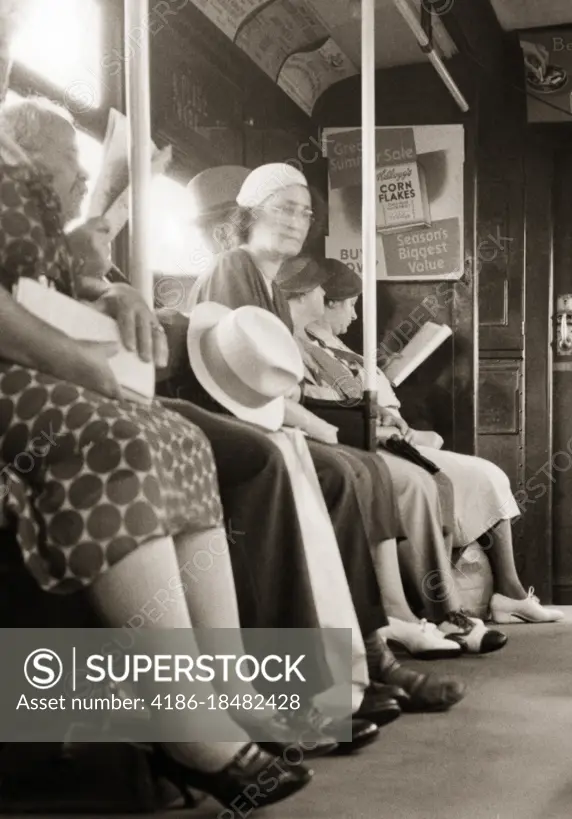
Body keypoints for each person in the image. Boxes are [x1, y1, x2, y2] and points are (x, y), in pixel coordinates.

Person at [0, 100, 309, 809]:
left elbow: (66, 268)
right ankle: (183, 722)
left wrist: (109, 290)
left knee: (186, 439)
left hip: (35, 362)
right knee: (120, 437)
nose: (80, 189)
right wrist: (74, 359)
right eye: (69, 176)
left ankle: (225, 686)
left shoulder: (33, 198)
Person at [183, 164, 467, 706]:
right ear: (248, 213)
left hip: (264, 419)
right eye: (282, 207)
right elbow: (245, 382)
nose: (296, 221)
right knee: (340, 472)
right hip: (235, 425)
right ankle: (353, 663)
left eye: (304, 211)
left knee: (360, 467)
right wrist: (316, 425)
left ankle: (374, 648)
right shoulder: (234, 268)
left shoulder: (264, 279)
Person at [282, 254, 564, 625]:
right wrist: (383, 424)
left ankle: (506, 591)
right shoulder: (297, 347)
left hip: (384, 433)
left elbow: (368, 397)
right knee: (449, 481)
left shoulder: (333, 346)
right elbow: (325, 407)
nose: (354, 317)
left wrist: (391, 416)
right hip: (355, 441)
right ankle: (440, 605)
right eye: (348, 305)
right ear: (317, 301)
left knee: (487, 474)